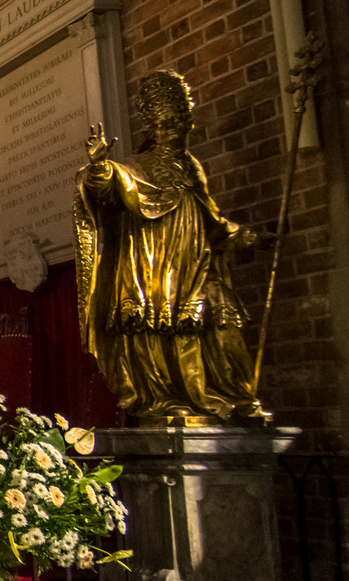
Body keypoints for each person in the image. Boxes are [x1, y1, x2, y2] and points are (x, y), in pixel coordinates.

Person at [74, 70, 271, 421]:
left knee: (226, 326)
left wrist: (244, 236)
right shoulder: (138, 166)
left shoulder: (191, 166)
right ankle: (163, 400)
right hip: (152, 268)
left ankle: (238, 399)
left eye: (178, 122)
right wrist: (100, 165)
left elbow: (211, 218)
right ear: (153, 127)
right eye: (164, 125)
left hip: (195, 265)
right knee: (159, 332)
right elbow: (106, 191)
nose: (172, 131)